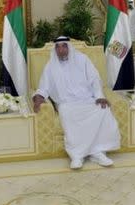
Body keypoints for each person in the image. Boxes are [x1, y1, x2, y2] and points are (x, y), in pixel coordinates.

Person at [33, 36, 120, 169]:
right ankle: (77, 155)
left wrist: (99, 96)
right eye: (58, 47)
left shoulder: (82, 59)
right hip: (66, 103)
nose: (61, 50)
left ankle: (98, 152)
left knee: (103, 109)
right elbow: (44, 86)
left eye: (64, 46)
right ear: (55, 50)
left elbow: (94, 79)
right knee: (67, 113)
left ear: (69, 47)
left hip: (86, 99)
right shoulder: (51, 66)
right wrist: (38, 96)